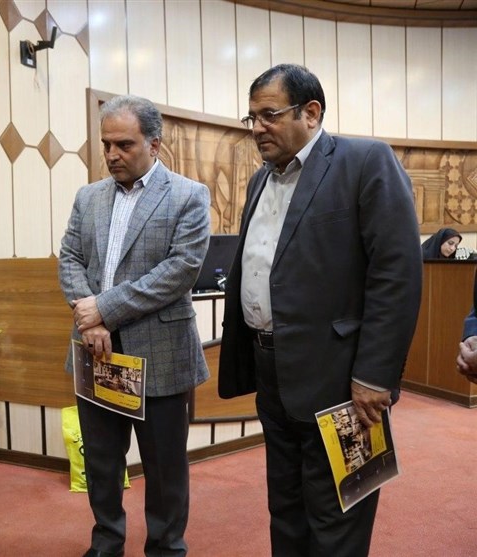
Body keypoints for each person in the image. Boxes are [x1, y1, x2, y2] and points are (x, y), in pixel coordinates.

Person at [218, 64, 422, 557]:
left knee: (338, 518)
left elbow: (396, 275)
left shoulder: (365, 161)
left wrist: (374, 375)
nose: (257, 128)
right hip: (271, 372)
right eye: (251, 118)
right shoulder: (259, 181)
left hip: (342, 381)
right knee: (285, 507)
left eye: (269, 115)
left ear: (311, 113)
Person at [58, 94, 210, 557]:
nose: (112, 154)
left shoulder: (188, 195)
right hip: (96, 351)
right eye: (106, 144)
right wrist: (90, 321)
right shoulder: (88, 197)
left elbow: (180, 271)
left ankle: (165, 548)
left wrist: (104, 309)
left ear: (154, 144)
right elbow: (70, 258)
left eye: (124, 144)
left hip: (159, 352)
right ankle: (107, 543)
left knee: (164, 468)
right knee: (102, 462)